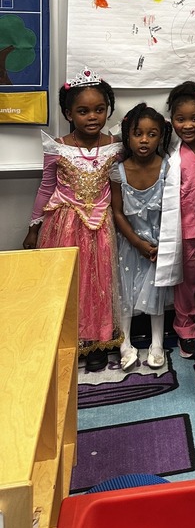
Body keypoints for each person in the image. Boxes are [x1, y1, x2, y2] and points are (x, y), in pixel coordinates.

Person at [25, 69, 122, 372]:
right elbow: (45, 186)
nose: (92, 117)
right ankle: (70, 339)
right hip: (64, 226)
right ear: (69, 113)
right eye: (83, 111)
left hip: (100, 228)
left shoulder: (116, 145)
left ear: (108, 110)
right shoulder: (57, 146)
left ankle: (95, 341)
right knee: (68, 283)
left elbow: (120, 187)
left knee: (98, 284)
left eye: (99, 109)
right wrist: (33, 227)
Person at [110, 103, 173, 371]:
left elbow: (172, 209)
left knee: (156, 292)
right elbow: (117, 212)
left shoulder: (168, 168)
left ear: (161, 137)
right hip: (129, 242)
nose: (144, 140)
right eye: (138, 134)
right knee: (125, 292)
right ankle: (125, 343)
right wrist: (137, 243)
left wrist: (161, 245)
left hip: (159, 243)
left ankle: (157, 344)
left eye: (152, 134)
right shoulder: (118, 171)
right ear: (127, 136)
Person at [160, 79, 195, 359]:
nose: (188, 125)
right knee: (188, 284)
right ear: (172, 120)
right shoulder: (172, 153)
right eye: (180, 119)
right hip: (188, 231)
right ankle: (186, 329)